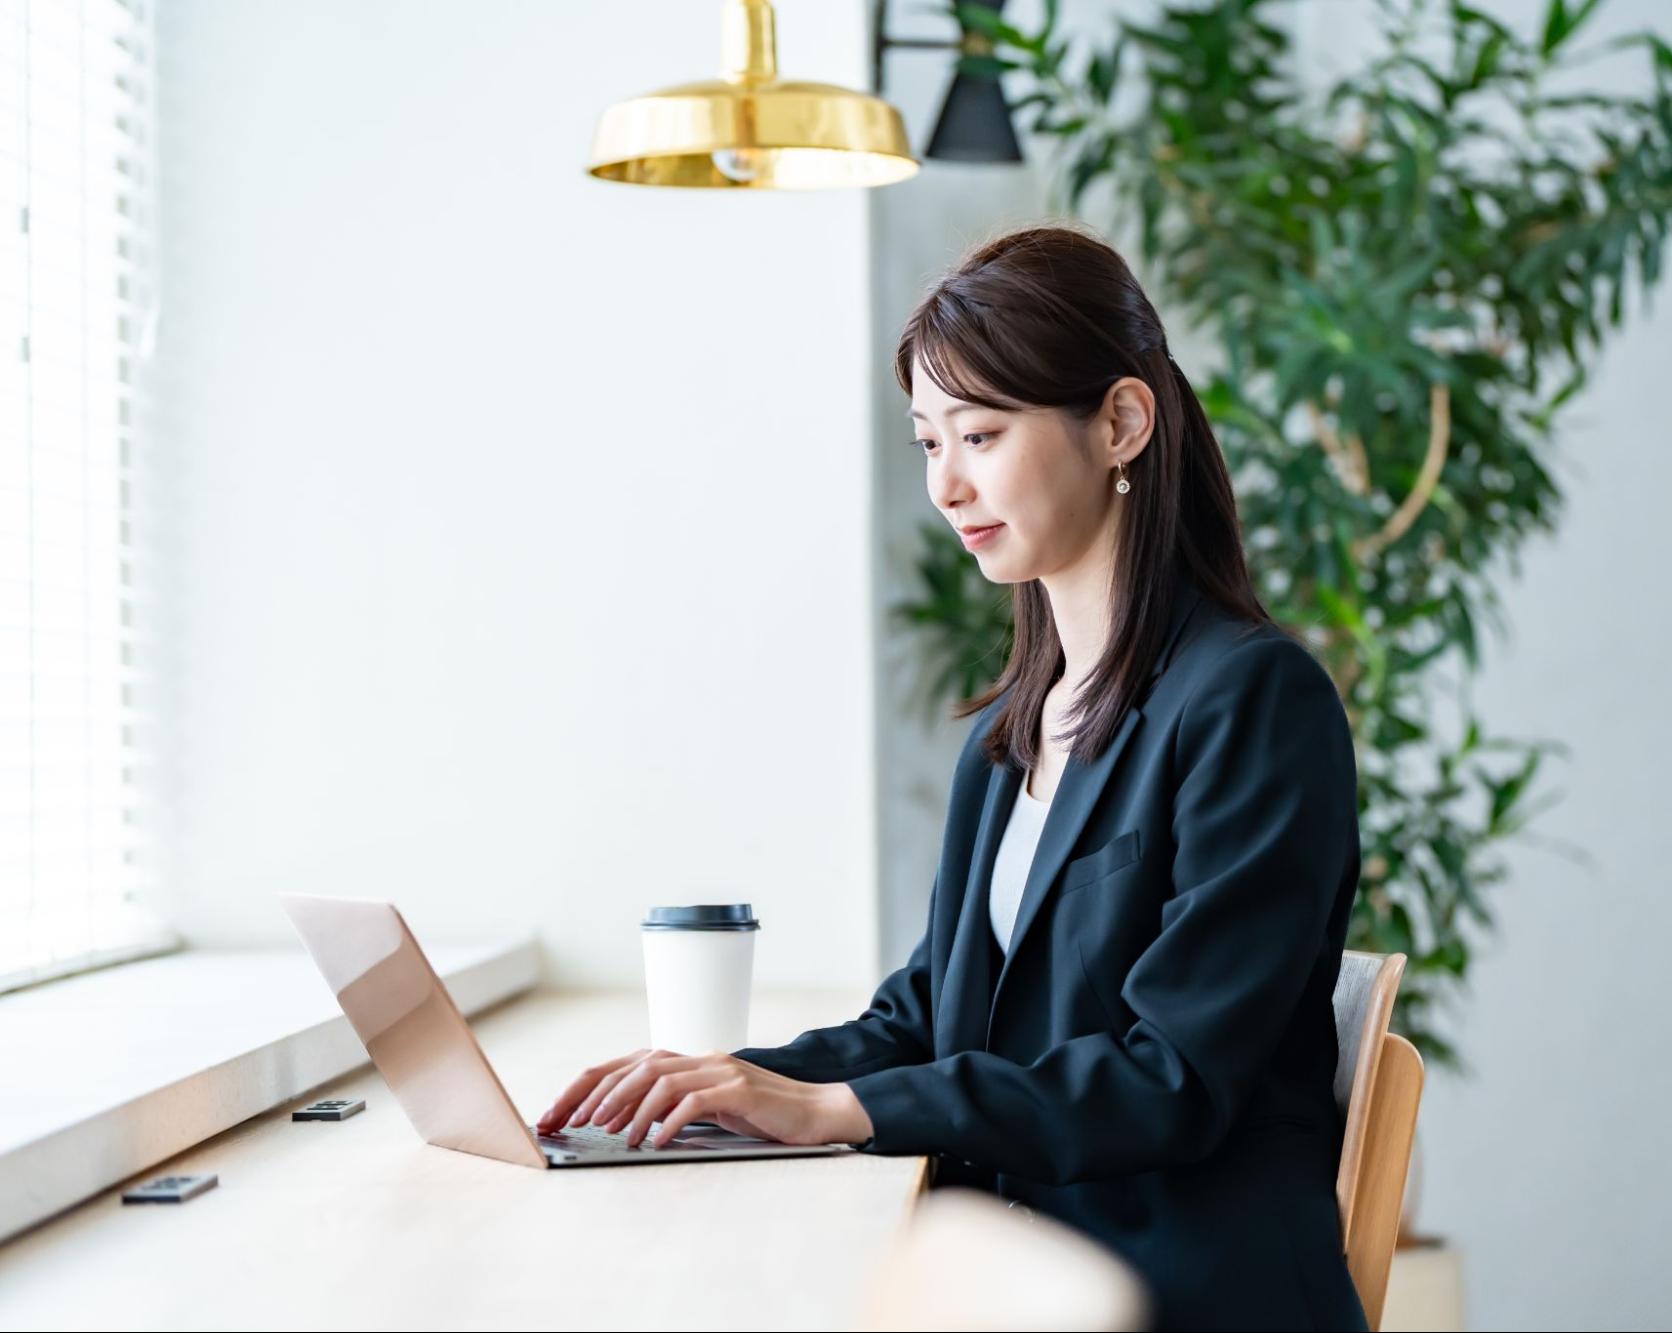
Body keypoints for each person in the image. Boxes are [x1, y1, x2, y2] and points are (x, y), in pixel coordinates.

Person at [538, 222, 1370, 1332]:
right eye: (928, 441)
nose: (945, 483)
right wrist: (715, 1087)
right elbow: (932, 1015)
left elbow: (1169, 1076)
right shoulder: (1014, 732)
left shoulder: (1252, 701)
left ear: (1120, 423)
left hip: (1167, 1286)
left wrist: (835, 1108)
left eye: (979, 433)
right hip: (1018, 1260)